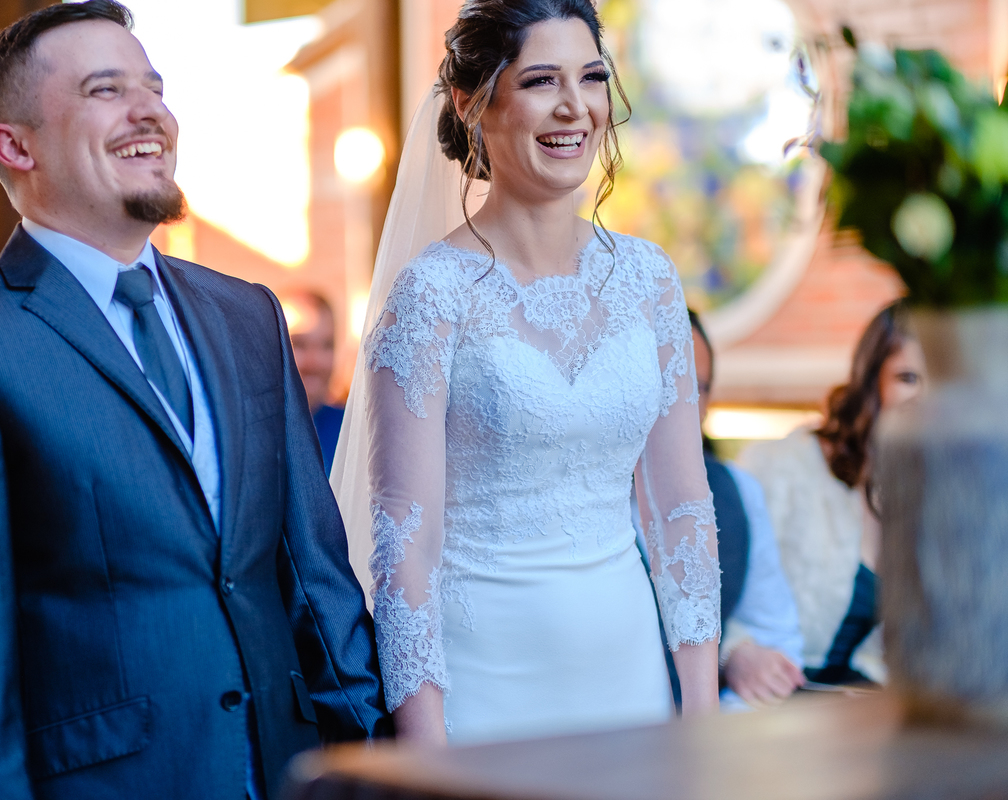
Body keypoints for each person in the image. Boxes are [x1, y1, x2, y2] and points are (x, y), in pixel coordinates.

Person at [0, 3, 386, 798]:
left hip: (291, 773)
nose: (152, 112)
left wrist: (372, 759)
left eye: (156, 87)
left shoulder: (248, 315)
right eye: (107, 90)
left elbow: (315, 578)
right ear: (15, 145)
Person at [333, 0, 721, 746]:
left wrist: (701, 718)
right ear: (473, 104)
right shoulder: (433, 294)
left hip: (629, 674)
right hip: (485, 684)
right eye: (542, 80)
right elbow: (404, 546)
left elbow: (682, 511)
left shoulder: (649, 280)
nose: (574, 106)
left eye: (592, 77)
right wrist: (428, 748)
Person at [738, 302, 925, 685]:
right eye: (908, 378)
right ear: (872, 383)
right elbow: (703, 589)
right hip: (765, 708)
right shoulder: (781, 467)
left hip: (862, 722)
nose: (927, 398)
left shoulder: (943, 495)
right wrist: (736, 654)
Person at [687, 312, 804, 708]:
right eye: (668, 381)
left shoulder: (737, 493)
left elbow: (778, 643)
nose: (686, 403)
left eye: (699, 387)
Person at [281, 290, 345, 474]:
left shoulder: (351, 429)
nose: (314, 362)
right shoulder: (249, 433)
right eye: (299, 344)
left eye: (326, 345)